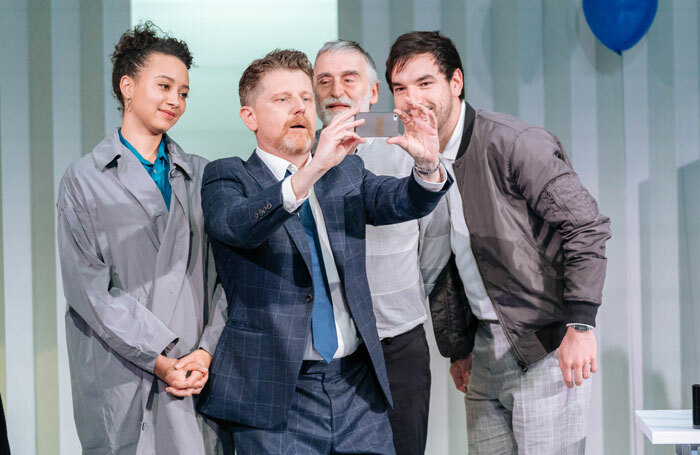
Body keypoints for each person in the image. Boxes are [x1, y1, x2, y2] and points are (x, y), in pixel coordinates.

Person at [197, 49, 450, 455]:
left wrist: (426, 167)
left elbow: (401, 202)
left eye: (303, 98)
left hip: (355, 388)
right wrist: (311, 169)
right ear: (250, 118)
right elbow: (240, 225)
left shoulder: (346, 173)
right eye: (282, 100)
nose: (300, 108)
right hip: (276, 395)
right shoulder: (228, 176)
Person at [385, 31, 612, 454]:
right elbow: (450, 260)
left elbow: (586, 226)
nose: (412, 99)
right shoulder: (417, 160)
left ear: (456, 82)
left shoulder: (512, 142)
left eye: (425, 83)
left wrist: (581, 324)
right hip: (485, 349)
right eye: (400, 88)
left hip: (544, 344)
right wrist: (459, 347)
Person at [57, 22, 228, 454]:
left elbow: (229, 277)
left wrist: (204, 352)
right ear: (127, 86)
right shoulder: (83, 179)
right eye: (165, 86)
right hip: (123, 371)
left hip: (195, 372)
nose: (175, 101)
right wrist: (159, 355)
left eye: (184, 92)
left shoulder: (204, 175)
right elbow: (89, 290)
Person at [313, 40, 437, 455]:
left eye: (349, 79)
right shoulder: (301, 157)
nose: (336, 90)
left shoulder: (410, 147)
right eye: (324, 80)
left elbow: (435, 248)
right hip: (336, 352)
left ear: (373, 93)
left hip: (397, 340)